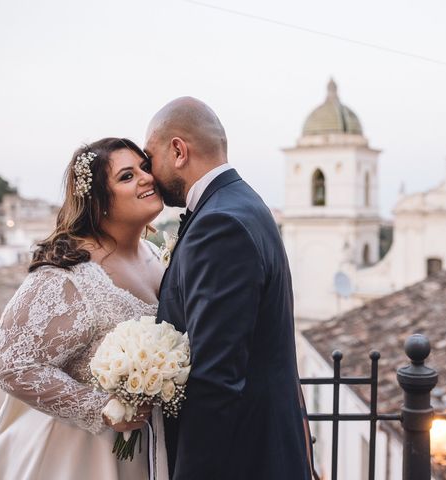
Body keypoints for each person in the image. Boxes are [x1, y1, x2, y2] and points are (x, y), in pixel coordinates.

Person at [0, 138, 169, 480]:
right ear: (99, 201)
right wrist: (102, 407)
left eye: (145, 167)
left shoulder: (156, 255)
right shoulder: (70, 275)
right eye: (126, 176)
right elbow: (12, 363)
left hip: (145, 451)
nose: (146, 178)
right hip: (76, 457)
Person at [145, 97, 314, 479]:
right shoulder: (243, 203)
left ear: (177, 150)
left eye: (149, 157)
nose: (148, 173)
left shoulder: (219, 224)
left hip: (244, 460)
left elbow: (215, 379)